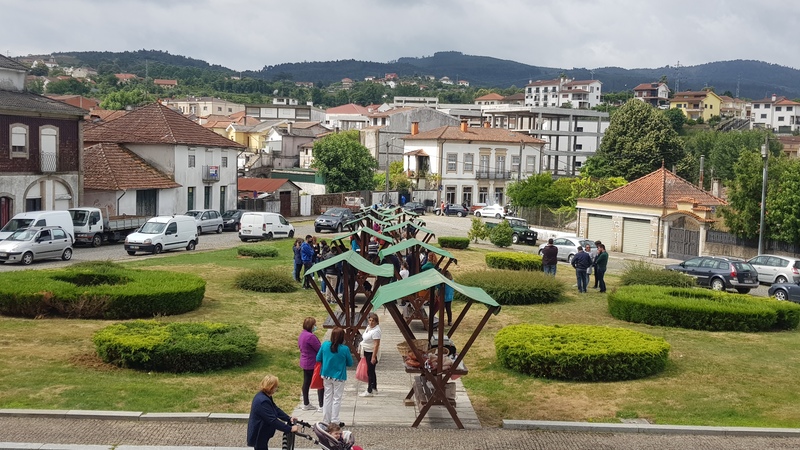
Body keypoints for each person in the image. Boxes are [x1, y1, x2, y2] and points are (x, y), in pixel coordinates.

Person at [246, 374, 298, 450]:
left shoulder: (265, 396)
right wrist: (289, 429)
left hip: (261, 431)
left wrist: (288, 418)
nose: (276, 389)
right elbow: (272, 420)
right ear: (271, 387)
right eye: (276, 387)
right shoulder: (263, 401)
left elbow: (275, 409)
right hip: (259, 432)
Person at [316, 327, 353, 426]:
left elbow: (318, 358)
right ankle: (335, 420)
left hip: (326, 374)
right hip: (339, 376)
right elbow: (350, 363)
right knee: (337, 398)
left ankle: (326, 420)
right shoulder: (344, 349)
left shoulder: (325, 345)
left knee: (327, 396)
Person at [298, 318, 323, 412]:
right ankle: (321, 405)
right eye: (314, 325)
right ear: (311, 326)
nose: (315, 326)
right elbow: (319, 349)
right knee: (319, 383)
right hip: (313, 363)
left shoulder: (302, 334)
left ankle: (306, 403)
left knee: (306, 382)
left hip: (304, 362)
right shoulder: (311, 337)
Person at [359, 312, 381, 397]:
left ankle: (369, 390)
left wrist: (373, 357)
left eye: (373, 321)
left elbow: (376, 344)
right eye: (370, 320)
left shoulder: (376, 331)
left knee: (370, 371)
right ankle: (374, 387)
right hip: (366, 350)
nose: (371, 322)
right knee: (371, 370)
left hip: (371, 352)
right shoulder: (369, 327)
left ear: (376, 322)